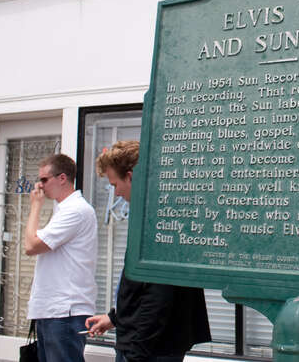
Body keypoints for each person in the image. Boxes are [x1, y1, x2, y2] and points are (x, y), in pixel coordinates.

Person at [85, 140, 211, 362]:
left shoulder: (159, 220)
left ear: (131, 177)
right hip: (148, 344)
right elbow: (142, 285)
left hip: (149, 349)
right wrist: (115, 318)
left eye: (115, 185)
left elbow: (158, 295)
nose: (115, 194)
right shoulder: (161, 212)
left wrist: (137, 352)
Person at [24, 154, 98, 362]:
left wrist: (35, 206)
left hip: (65, 310)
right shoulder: (63, 210)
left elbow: (31, 245)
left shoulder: (75, 210)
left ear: (62, 178)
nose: (40, 186)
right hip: (54, 309)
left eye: (44, 179)